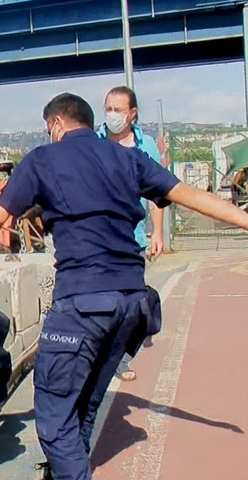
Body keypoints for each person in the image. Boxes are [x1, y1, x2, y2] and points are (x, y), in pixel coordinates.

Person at [0, 93, 248, 480]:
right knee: (87, 398)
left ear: (56, 123)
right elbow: (189, 195)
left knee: (54, 405)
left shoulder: (42, 160)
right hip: (132, 302)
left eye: (47, 127)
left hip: (82, 302)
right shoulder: (126, 158)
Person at [97, 85, 163, 382]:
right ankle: (104, 356)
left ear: (132, 113)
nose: (111, 115)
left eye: (118, 109)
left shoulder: (145, 145)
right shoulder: (93, 141)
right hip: (98, 238)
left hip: (132, 238)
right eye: (108, 108)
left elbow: (158, 192)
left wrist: (157, 232)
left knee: (133, 304)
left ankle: (121, 355)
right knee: (101, 301)